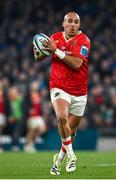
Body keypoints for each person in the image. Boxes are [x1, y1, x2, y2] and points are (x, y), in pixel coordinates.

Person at [33, 11, 91, 175]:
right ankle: (72, 157)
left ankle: (57, 162)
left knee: (70, 134)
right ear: (63, 24)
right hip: (58, 87)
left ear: (79, 25)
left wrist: (56, 51)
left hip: (79, 92)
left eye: (76, 22)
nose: (73, 25)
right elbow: (39, 58)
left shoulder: (84, 40)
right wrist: (39, 51)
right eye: (70, 22)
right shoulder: (55, 37)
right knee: (61, 117)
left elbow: (77, 64)